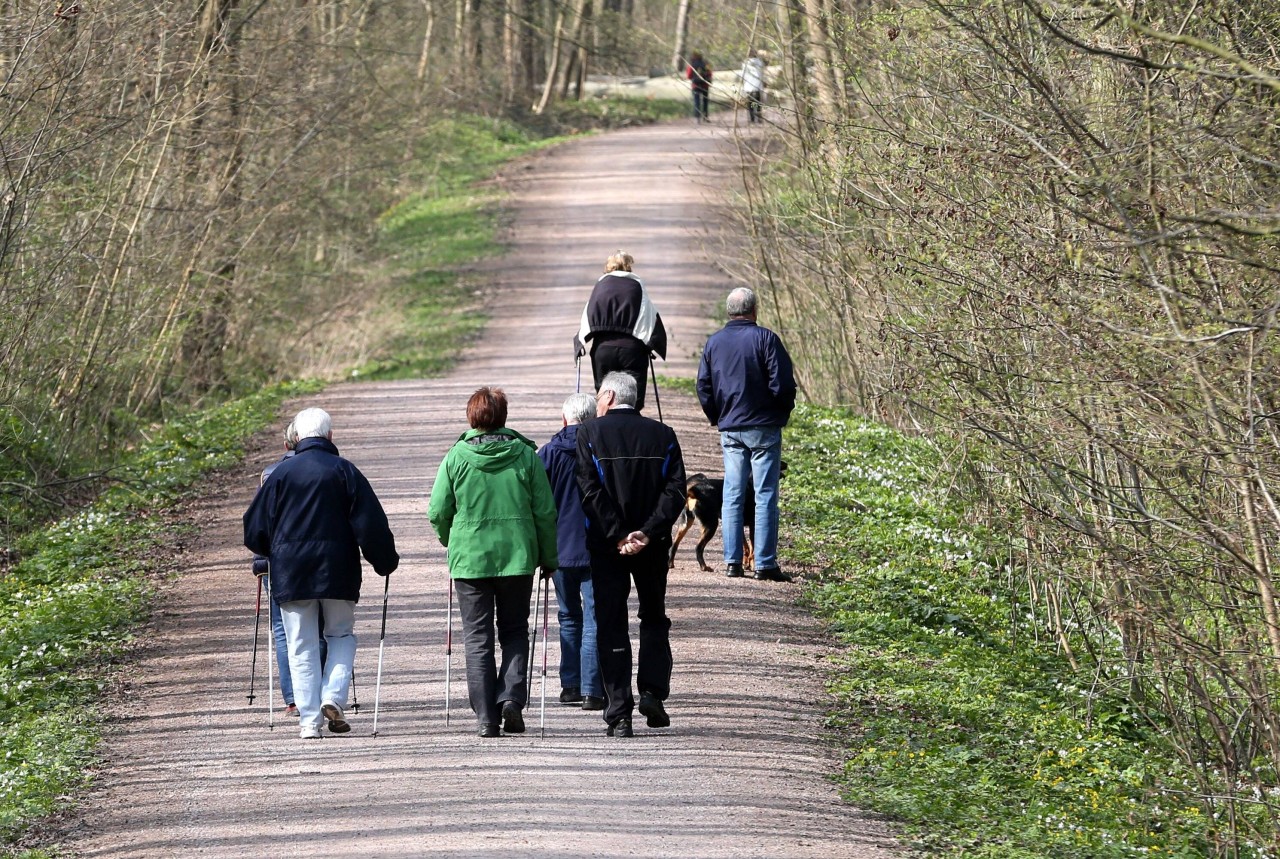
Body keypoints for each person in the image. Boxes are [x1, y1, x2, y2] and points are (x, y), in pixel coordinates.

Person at [243, 407, 399, 740]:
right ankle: (333, 696)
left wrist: (268, 552)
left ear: (296, 439)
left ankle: (309, 723)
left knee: (300, 646)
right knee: (340, 635)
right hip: (338, 571)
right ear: (330, 436)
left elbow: (254, 528)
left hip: (291, 573)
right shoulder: (345, 471)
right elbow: (370, 525)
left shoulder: (280, 477)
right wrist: (384, 560)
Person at [428, 387, 559, 738]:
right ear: (503, 416)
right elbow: (545, 511)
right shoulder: (525, 456)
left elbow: (438, 510)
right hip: (517, 557)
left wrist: (451, 540)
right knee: (515, 630)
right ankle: (511, 699)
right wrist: (548, 557)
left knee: (477, 637)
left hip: (470, 559)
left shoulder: (455, 457)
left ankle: (486, 716)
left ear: (472, 417)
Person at [576, 372, 686, 737]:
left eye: (598, 394)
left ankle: (619, 712)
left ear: (608, 395)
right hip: (651, 546)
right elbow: (675, 492)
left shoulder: (589, 433)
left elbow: (589, 492)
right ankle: (653, 691)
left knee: (611, 624)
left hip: (608, 547)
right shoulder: (663, 434)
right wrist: (648, 532)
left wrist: (618, 534)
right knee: (654, 617)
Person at [696, 287, 797, 583]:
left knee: (732, 493)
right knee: (765, 494)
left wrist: (718, 416)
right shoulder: (766, 339)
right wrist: (781, 412)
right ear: (754, 310)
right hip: (763, 427)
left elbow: (703, 386)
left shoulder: (714, 343)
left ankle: (732, 563)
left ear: (730, 311)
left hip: (731, 427)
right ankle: (764, 564)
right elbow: (784, 384)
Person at [250, 420, 324, 719]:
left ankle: (293, 699)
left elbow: (259, 523)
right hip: (320, 560)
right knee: (318, 627)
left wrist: (260, 560)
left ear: (286, 445)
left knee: (283, 630)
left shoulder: (270, 474)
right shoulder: (331, 468)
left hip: (277, 562)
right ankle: (317, 694)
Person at [537, 392, 605, 712]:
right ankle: (593, 690)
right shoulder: (601, 449)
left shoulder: (547, 454)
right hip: (596, 546)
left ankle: (571, 685)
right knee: (594, 618)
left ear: (564, 419)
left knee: (568, 617)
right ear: (593, 418)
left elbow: (536, 504)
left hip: (559, 550)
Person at [572, 251, 667, 412]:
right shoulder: (636, 285)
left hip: (603, 349)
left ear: (608, 266)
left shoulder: (601, 285)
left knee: (605, 395)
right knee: (632, 397)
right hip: (632, 350)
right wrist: (652, 342)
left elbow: (588, 314)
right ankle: (631, 429)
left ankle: (605, 429)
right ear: (629, 265)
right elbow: (648, 314)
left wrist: (580, 340)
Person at [740, 48, 765, 124]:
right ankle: (759, 118)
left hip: (748, 87)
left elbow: (743, 76)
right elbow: (762, 74)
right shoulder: (760, 63)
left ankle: (752, 119)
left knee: (750, 104)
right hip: (757, 86)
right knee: (758, 104)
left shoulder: (745, 64)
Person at [687, 51, 713, 122]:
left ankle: (697, 117)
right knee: (705, 101)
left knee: (697, 101)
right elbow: (710, 73)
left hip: (695, 85)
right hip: (705, 85)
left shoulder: (692, 64)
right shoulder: (706, 63)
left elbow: (689, 76)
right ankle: (705, 116)